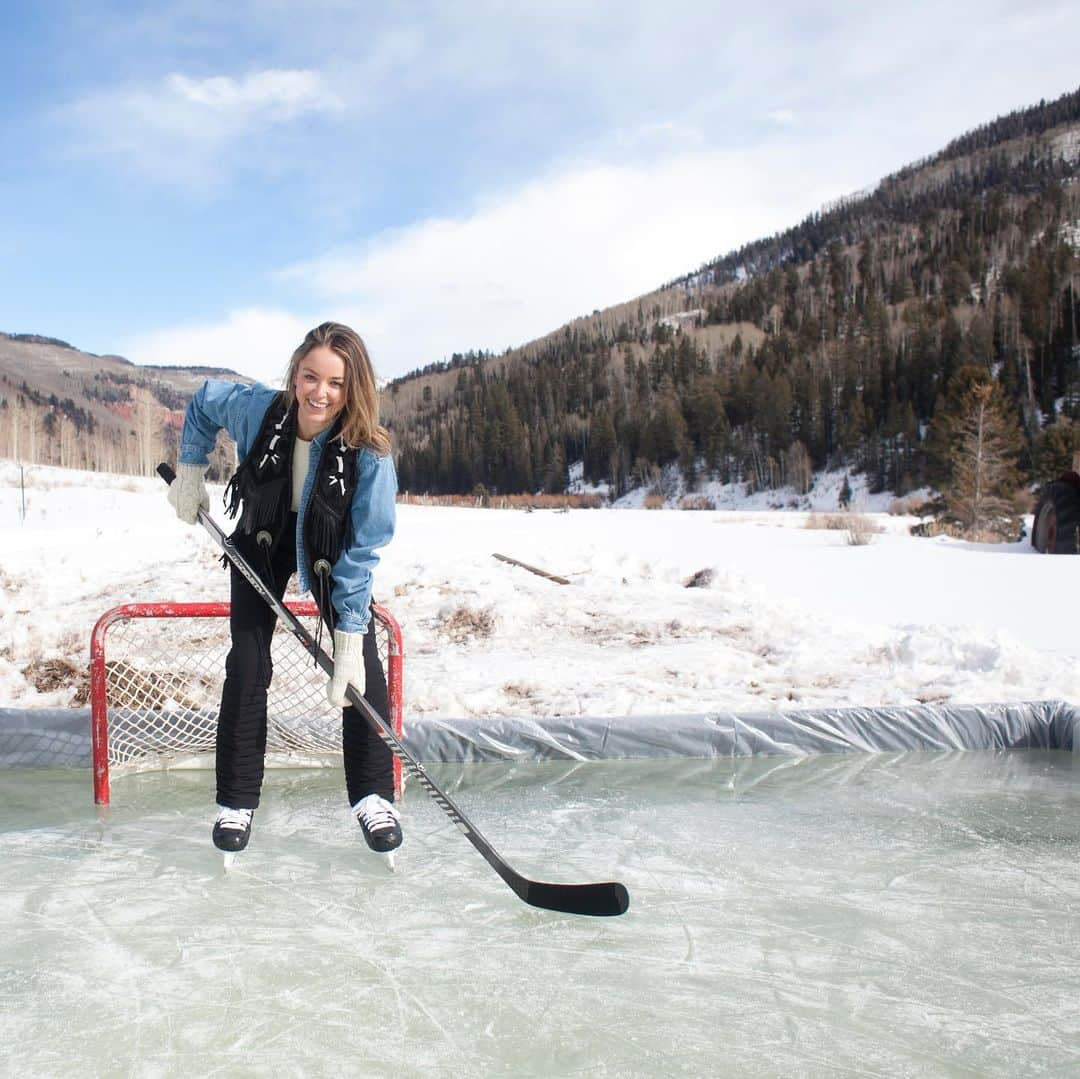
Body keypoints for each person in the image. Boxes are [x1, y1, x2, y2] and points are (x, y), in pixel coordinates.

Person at [166, 321, 401, 857]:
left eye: (336, 383)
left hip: (328, 549)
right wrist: (189, 469)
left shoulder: (370, 454)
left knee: (359, 664)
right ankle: (236, 802)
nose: (320, 393)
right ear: (295, 374)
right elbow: (204, 401)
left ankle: (372, 796)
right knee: (248, 662)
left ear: (354, 388)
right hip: (263, 532)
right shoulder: (258, 411)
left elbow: (362, 550)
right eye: (310, 376)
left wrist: (347, 634)